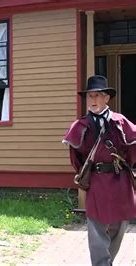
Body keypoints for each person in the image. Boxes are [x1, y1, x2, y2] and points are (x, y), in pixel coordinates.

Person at [63, 75, 136, 265]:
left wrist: (124, 165)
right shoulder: (81, 126)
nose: (93, 100)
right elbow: (76, 157)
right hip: (97, 182)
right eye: (90, 96)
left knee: (120, 226)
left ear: (106, 99)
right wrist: (86, 173)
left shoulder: (120, 122)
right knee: (96, 228)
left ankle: (107, 261)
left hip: (121, 181)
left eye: (97, 96)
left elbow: (132, 150)